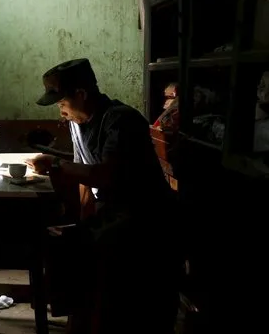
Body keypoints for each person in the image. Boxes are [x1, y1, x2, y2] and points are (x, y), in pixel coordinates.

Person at [28, 58, 181, 334]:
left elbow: (103, 175)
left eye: (62, 103)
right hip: (114, 215)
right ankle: (83, 318)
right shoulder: (77, 124)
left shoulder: (121, 120)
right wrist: (82, 224)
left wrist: (55, 164)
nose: (61, 112)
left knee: (126, 305)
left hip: (146, 220)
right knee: (64, 246)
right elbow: (83, 180)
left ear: (81, 95)